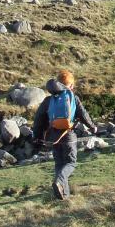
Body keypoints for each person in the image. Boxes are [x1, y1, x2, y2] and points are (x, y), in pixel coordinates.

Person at [32, 69, 97, 200]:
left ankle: (64, 196)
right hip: (68, 135)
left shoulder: (48, 100)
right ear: (71, 85)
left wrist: (37, 136)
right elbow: (83, 114)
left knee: (59, 163)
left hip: (54, 137)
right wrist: (93, 127)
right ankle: (59, 182)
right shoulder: (73, 98)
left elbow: (38, 119)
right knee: (70, 163)